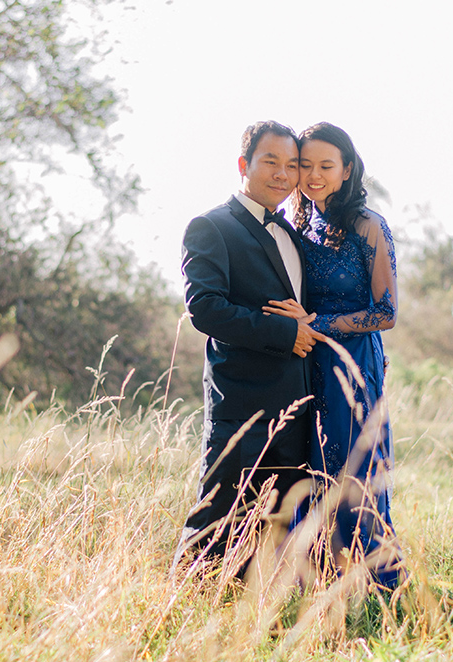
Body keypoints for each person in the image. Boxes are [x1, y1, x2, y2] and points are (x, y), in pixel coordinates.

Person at [174, 121, 324, 571]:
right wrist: (284, 334)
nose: (283, 174)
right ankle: (183, 611)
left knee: (277, 534)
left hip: (298, 408)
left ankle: (258, 618)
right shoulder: (211, 227)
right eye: (270, 162)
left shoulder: (294, 234)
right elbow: (206, 309)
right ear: (244, 165)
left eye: (291, 165)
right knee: (215, 526)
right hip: (243, 407)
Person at [263, 122, 402, 589]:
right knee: (311, 465)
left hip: (352, 363)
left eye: (326, 165)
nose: (314, 174)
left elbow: (386, 312)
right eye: (305, 165)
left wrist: (317, 324)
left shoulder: (369, 227)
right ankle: (318, 580)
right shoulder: (299, 225)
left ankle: (373, 582)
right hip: (305, 363)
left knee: (352, 467)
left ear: (346, 170)